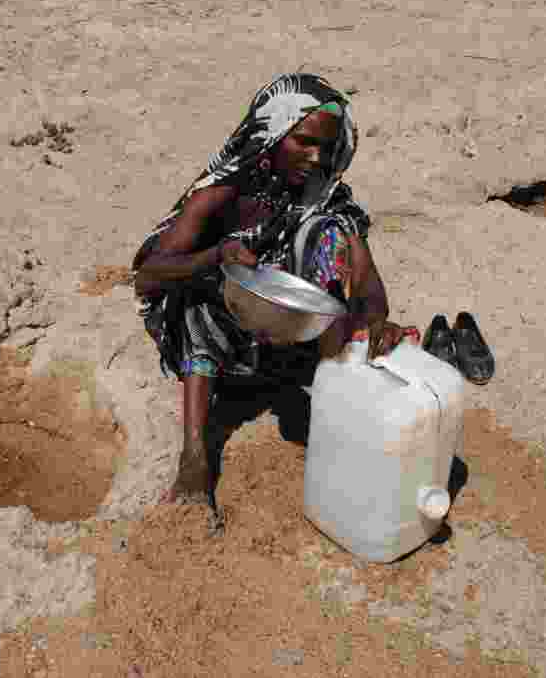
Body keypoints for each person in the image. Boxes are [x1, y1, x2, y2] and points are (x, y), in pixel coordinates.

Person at [131, 73, 407, 532]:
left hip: (289, 341)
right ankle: (195, 460)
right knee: (197, 295)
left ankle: (335, 409)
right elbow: (147, 277)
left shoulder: (326, 196)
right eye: (302, 141)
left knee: (329, 231)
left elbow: (368, 282)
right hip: (216, 337)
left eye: (325, 146)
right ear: (274, 130)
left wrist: (376, 319)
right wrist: (215, 256)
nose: (314, 156)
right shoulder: (225, 188)